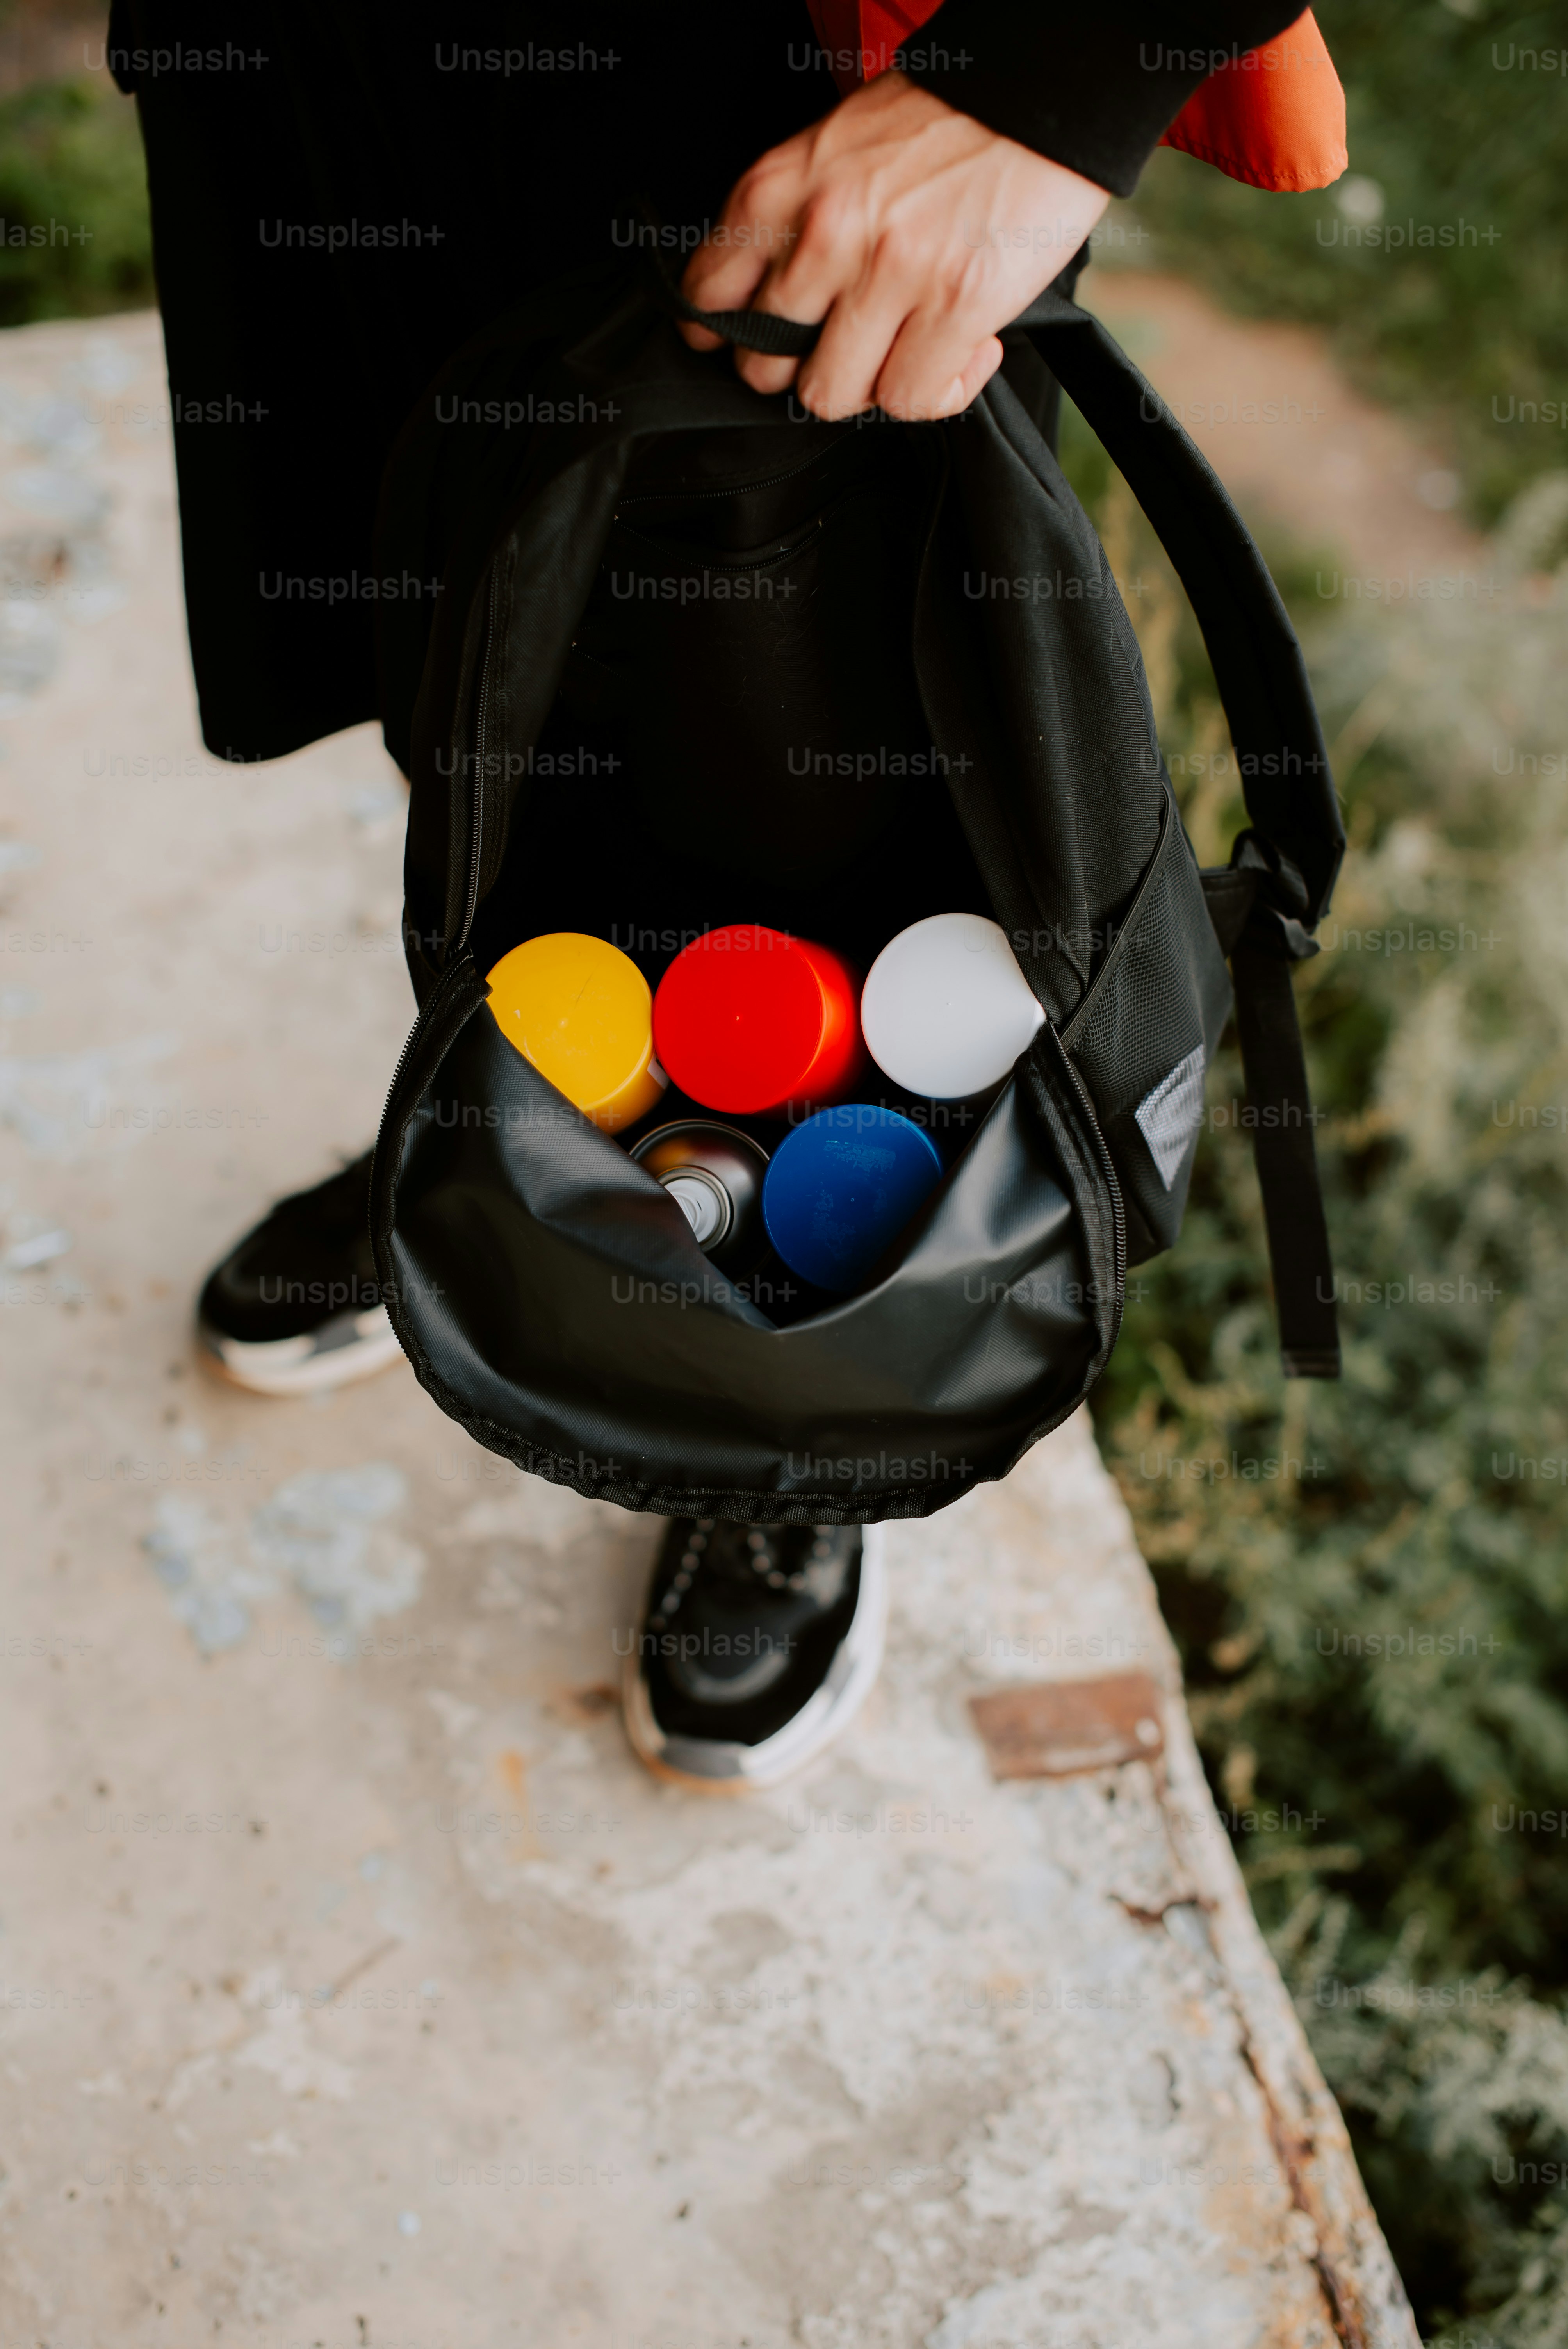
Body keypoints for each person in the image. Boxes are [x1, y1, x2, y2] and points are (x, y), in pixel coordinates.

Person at [114, 0, 1323, 1789]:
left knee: (826, 770)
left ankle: (808, 1393)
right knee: (477, 698)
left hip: (724, 70)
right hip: (332, 65)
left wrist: (1053, 74)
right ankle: (527, 1146)